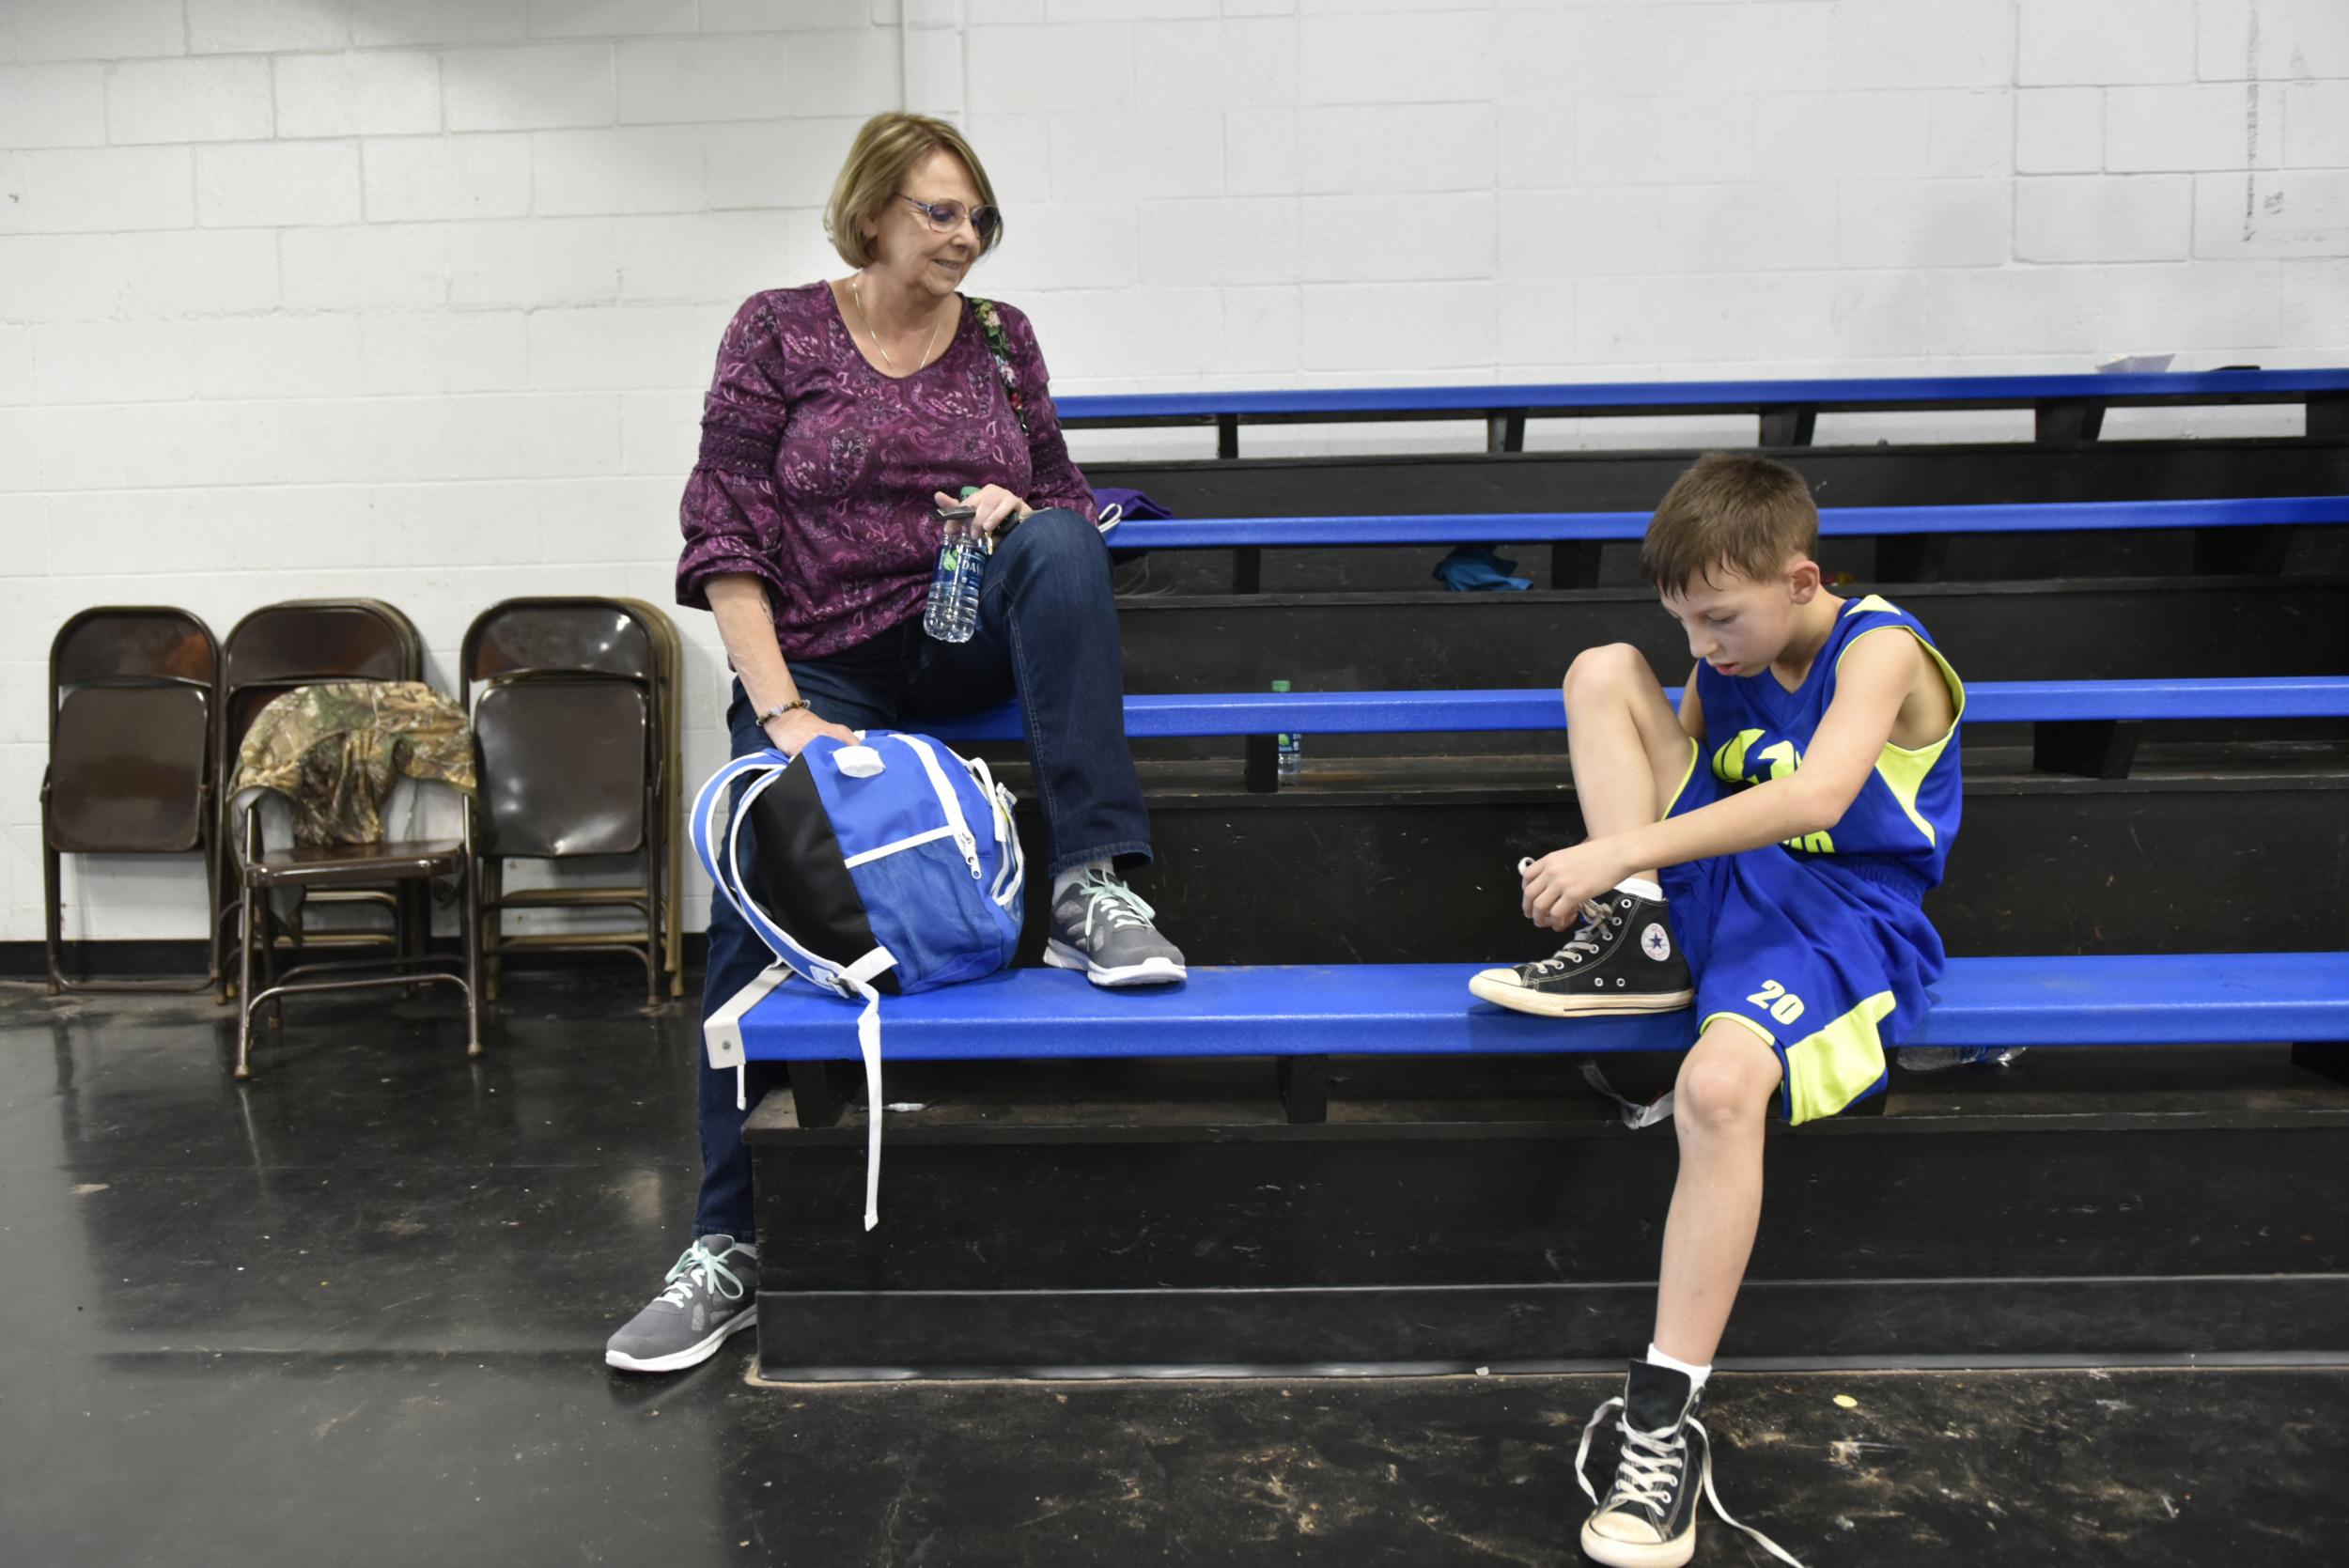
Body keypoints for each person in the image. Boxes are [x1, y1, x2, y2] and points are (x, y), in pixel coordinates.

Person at [605, 112, 1184, 1375]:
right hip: (817, 655)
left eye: (979, 218)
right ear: (873, 211)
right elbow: (724, 531)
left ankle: (1095, 883)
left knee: (1067, 543)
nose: (966, 238)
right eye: (941, 212)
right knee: (746, 916)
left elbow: (1069, 499)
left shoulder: (1000, 339)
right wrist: (783, 712)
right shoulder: (777, 329)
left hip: (959, 628)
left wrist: (1018, 505)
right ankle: (725, 1242)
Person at [1468, 453, 1962, 1567]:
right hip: (1730, 882)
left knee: (1718, 1085)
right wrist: (1633, 868)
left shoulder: (1877, 643)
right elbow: (1696, 767)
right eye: (1684, 621)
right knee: (1602, 670)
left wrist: (1612, 851)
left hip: (1843, 912)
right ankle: (1645, 931)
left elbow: (1813, 796)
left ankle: (1663, 1418)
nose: (1702, 647)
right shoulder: (1723, 651)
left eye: (1719, 620)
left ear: (1801, 577)